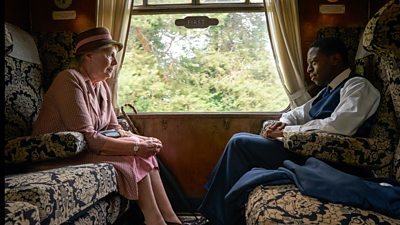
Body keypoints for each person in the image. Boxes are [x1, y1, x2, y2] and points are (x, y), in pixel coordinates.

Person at [197, 37, 381, 225]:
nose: (309, 69)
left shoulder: (358, 86)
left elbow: (339, 126)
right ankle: (216, 213)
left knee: (240, 143)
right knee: (240, 138)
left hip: (329, 160)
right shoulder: (327, 91)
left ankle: (216, 218)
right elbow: (296, 114)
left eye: (314, 62)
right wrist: (280, 124)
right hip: (306, 151)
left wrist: (288, 133)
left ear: (335, 59)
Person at [32, 27, 183, 225]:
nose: (114, 62)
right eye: (109, 55)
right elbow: (90, 138)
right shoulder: (69, 79)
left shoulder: (102, 85)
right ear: (88, 56)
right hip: (58, 156)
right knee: (133, 154)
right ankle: (154, 220)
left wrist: (142, 140)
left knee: (146, 153)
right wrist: (136, 147)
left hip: (85, 149)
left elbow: (114, 127)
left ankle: (171, 219)